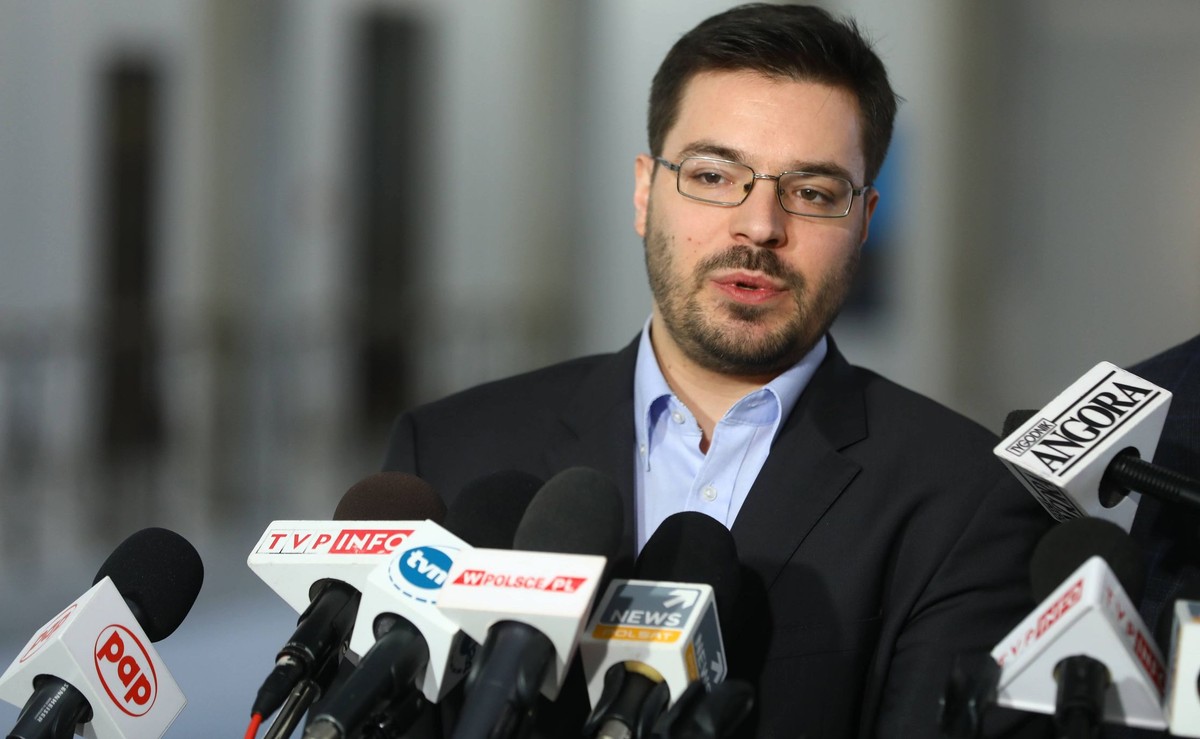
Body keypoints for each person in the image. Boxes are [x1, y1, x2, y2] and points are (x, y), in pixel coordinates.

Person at [383, 4, 1051, 736]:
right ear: (646, 192)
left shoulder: (965, 498)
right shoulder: (449, 453)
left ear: (863, 221)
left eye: (813, 193)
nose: (759, 226)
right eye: (712, 175)